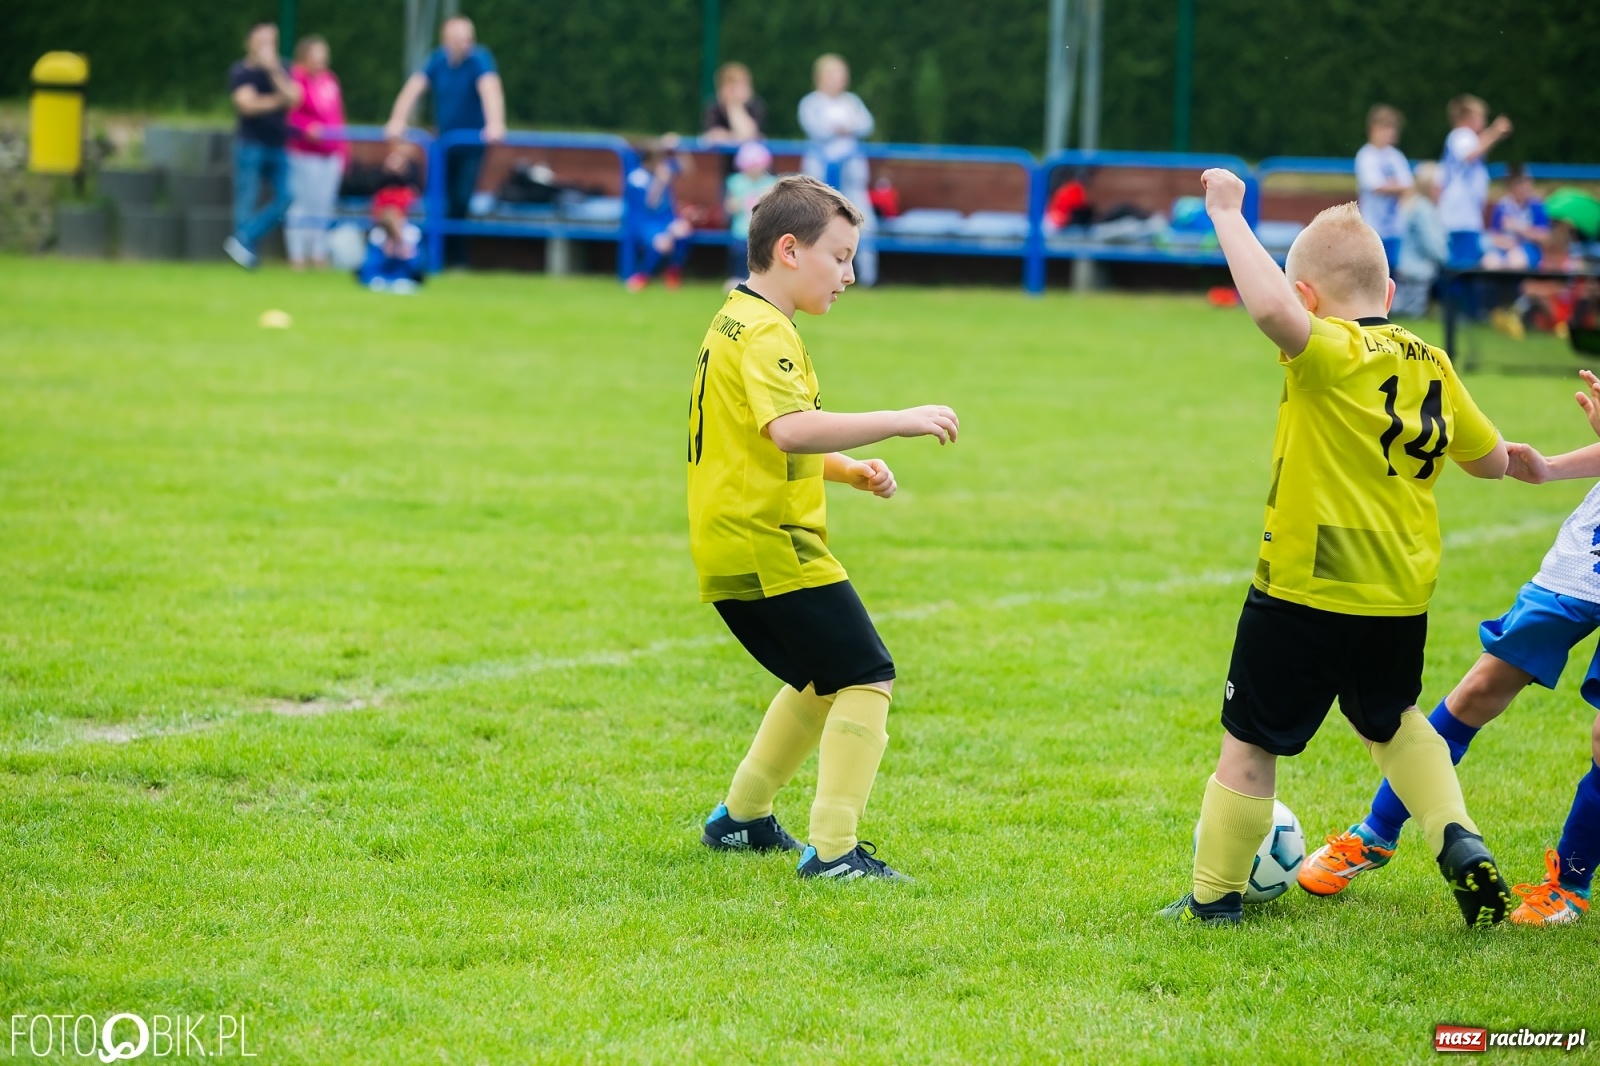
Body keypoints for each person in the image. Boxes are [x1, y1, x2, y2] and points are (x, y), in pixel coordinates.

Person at [1159, 169, 1514, 928]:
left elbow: (1267, 308)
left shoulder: (1330, 352)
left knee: (1251, 743)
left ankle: (1214, 898)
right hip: (1400, 590)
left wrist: (1226, 213)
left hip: (1304, 586)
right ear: (1388, 292)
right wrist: (1510, 452)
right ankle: (1458, 835)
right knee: (1392, 718)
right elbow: (1490, 461)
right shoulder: (1434, 363)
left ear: (1310, 298)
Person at [690, 175, 959, 881]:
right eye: (838, 257)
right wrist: (899, 420)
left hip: (731, 537)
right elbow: (788, 429)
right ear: (788, 250)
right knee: (868, 674)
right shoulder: (769, 333)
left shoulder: (735, 318)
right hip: (769, 539)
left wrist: (848, 471)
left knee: (822, 679)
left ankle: (740, 818)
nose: (849, 275)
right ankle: (834, 851)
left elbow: (764, 437)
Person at [1300, 370, 1600, 926]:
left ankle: (1570, 885)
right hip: (1586, 561)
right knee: (1478, 689)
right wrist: (1554, 468)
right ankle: (1375, 833)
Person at [383, 16, 505, 267]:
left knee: (461, 199)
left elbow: (490, 88)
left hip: (471, 144)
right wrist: (397, 119)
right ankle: (432, 256)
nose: (465, 44)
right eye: (459, 39)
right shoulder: (438, 60)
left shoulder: (479, 59)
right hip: (443, 146)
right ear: (447, 40)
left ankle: (457, 257)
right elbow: (413, 88)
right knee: (436, 200)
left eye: (468, 38)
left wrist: (495, 123)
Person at [224, 23, 303, 269]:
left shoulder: (284, 69)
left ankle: (243, 239)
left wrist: (273, 72)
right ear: (250, 43)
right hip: (250, 145)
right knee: (247, 200)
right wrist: (279, 100)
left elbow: (294, 99)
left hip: (278, 145)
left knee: (286, 197)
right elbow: (247, 105)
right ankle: (246, 256)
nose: (268, 47)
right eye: (262, 41)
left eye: (272, 41)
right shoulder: (241, 72)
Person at [799, 54, 878, 287]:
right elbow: (815, 128)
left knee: (864, 221)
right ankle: (812, 274)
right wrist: (840, 128)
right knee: (815, 221)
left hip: (851, 173)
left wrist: (845, 127)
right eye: (834, 75)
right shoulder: (810, 102)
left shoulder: (851, 101)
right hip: (821, 173)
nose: (840, 80)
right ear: (821, 77)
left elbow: (866, 124)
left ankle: (869, 278)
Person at [285, 35, 347, 270]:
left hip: (331, 153)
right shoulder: (295, 79)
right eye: (316, 54)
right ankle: (298, 255)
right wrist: (305, 128)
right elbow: (289, 114)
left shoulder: (329, 80)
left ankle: (318, 253)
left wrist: (343, 149)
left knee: (323, 204)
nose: (321, 59)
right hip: (304, 152)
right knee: (302, 203)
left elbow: (337, 116)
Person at [1437, 94, 1513, 265]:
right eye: (1481, 117)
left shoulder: (1464, 137)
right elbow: (1471, 153)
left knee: (1467, 263)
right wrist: (1496, 131)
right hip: (1460, 217)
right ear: (1467, 117)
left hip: (1465, 216)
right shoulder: (1461, 135)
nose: (1484, 122)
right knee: (1462, 266)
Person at [623, 135, 692, 292]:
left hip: (667, 219)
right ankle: (642, 275)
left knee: (683, 230)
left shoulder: (663, 167)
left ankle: (673, 273)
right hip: (645, 222)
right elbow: (650, 204)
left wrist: (679, 147)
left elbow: (688, 168)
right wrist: (660, 182)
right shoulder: (637, 178)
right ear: (649, 161)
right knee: (663, 243)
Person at [1354, 104, 1413, 261]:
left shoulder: (1396, 156)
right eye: (1385, 128)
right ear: (1373, 129)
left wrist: (1391, 186)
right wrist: (1395, 186)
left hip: (1395, 229)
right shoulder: (1366, 155)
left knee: (1392, 271)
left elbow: (1408, 186)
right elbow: (1376, 186)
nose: (1390, 133)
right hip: (1373, 227)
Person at [1392, 162, 1448, 318]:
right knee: (1409, 316)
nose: (1442, 190)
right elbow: (1432, 245)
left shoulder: (1414, 204)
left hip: (1408, 271)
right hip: (1417, 274)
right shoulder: (1423, 209)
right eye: (1439, 186)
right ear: (1430, 186)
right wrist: (1448, 257)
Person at [724, 139, 777, 287]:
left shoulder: (770, 183)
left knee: (765, 254)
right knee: (740, 253)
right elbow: (729, 205)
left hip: (764, 229)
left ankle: (761, 279)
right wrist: (734, 205)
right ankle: (738, 277)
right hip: (742, 228)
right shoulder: (736, 182)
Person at [1482, 165, 1550, 271]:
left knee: (1516, 260)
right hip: (1504, 249)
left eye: (1527, 181)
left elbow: (1544, 236)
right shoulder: (1501, 206)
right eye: (1520, 182)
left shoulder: (1536, 206)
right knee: (1490, 261)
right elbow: (1493, 235)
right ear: (1510, 186)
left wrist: (1518, 227)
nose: (1526, 186)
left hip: (1529, 249)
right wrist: (1505, 243)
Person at [700, 62, 766, 145]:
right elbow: (713, 136)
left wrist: (735, 107)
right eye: (732, 87)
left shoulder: (755, 105)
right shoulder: (714, 107)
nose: (735, 92)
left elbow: (749, 134)